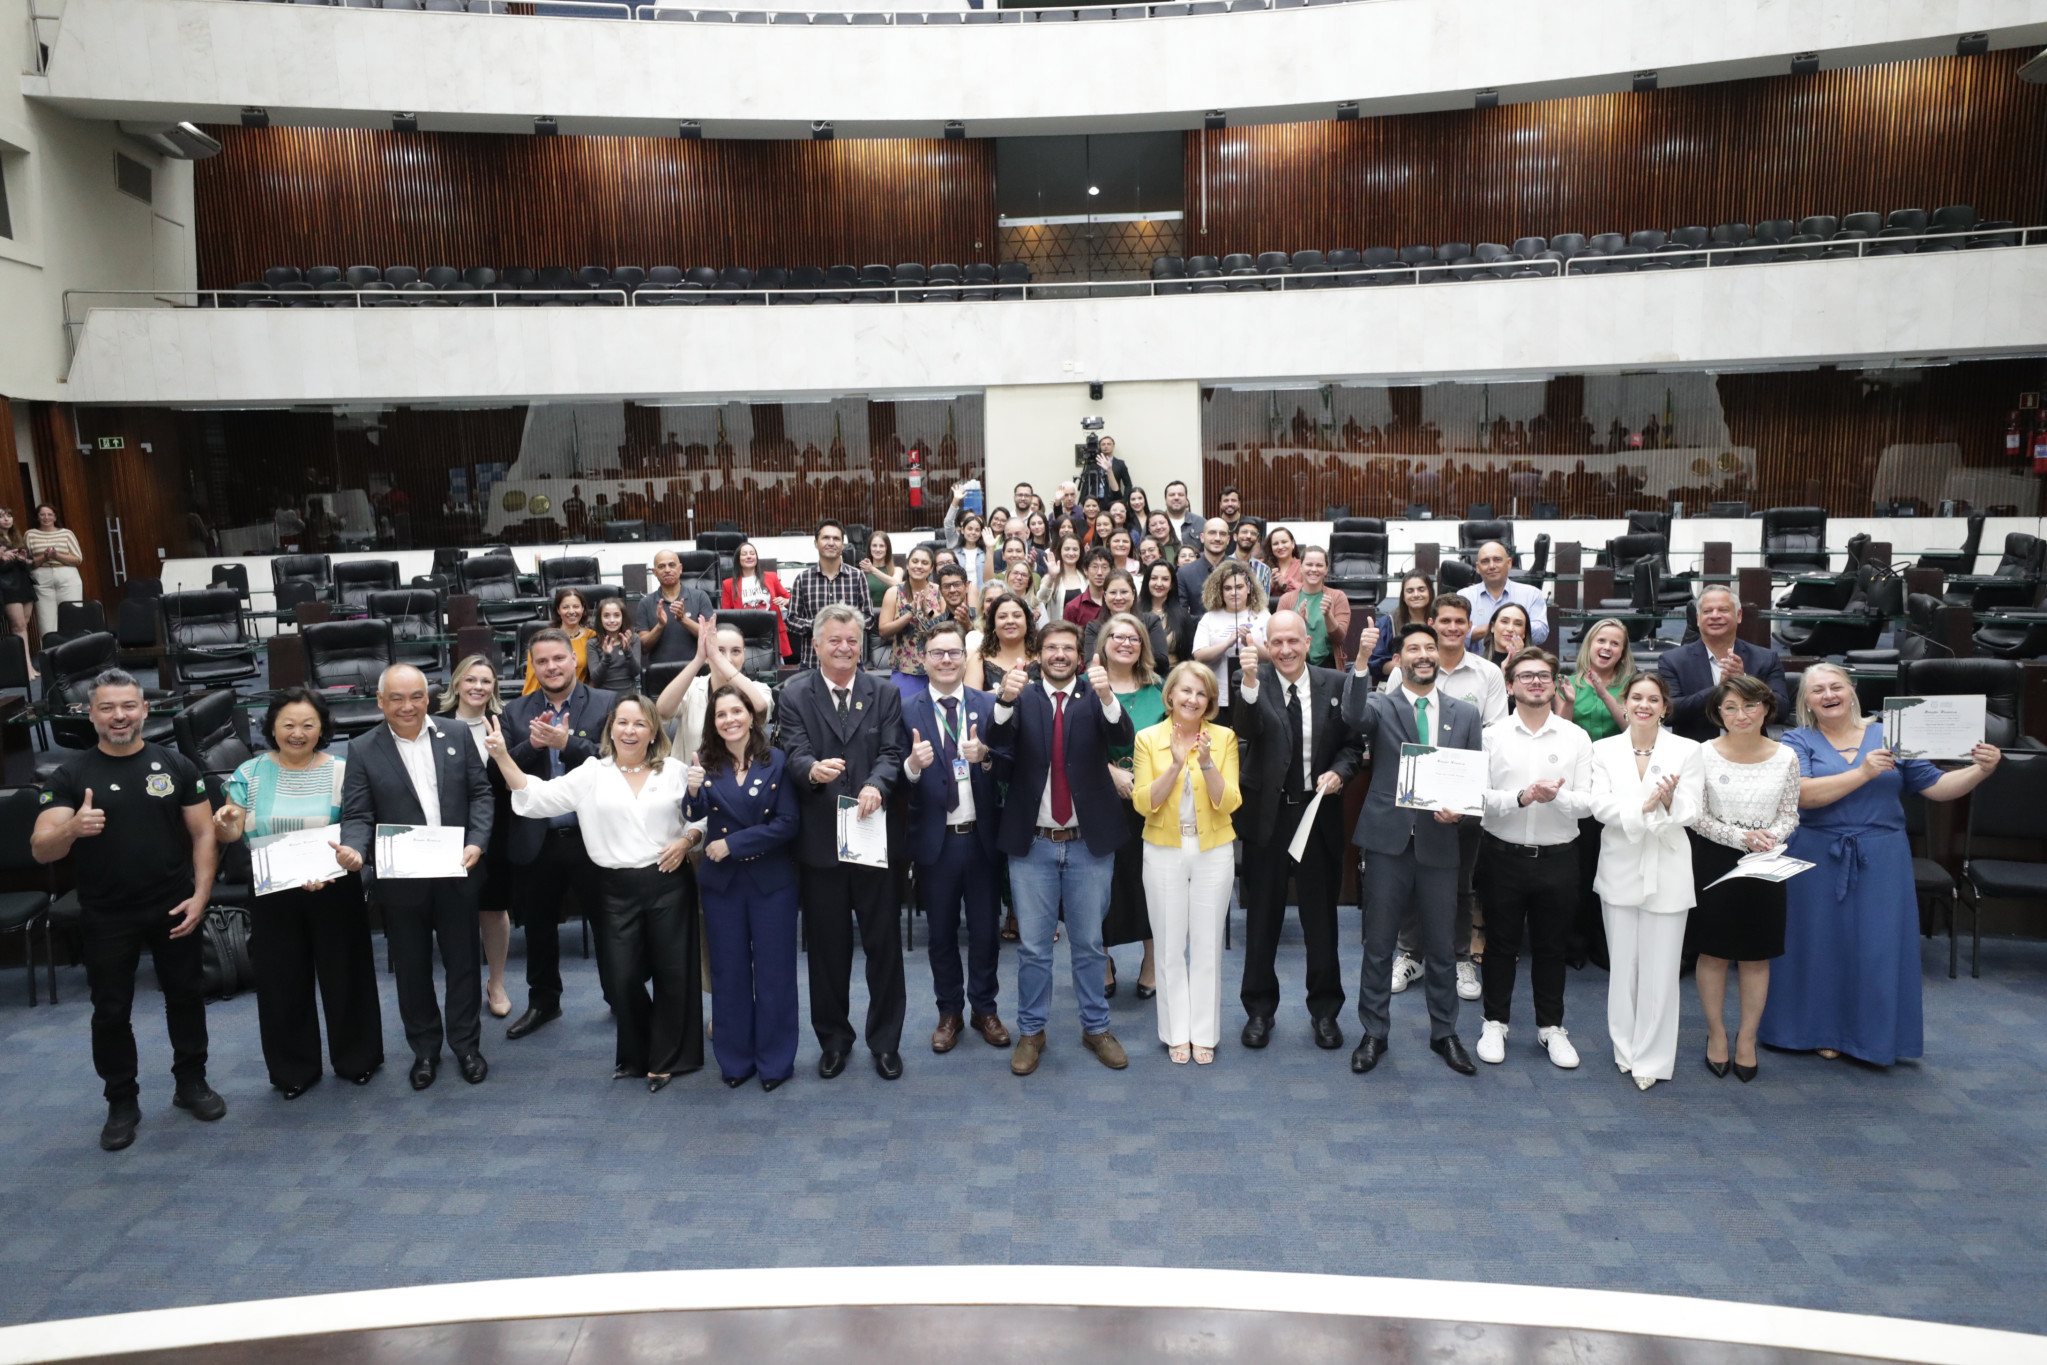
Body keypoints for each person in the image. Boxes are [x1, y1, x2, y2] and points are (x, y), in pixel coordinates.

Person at [1762, 663, 2002, 1068]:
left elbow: (1938, 787)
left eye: (1835, 686)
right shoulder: (1796, 740)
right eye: (1817, 690)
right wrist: (1863, 772)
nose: (1828, 694)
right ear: (1806, 702)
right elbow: (1804, 795)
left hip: (1883, 858)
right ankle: (1819, 1032)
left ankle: (1871, 1038)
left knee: (1877, 948)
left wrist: (1981, 770)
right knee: (1819, 947)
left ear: (1852, 691)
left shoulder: (1892, 733)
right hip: (1816, 856)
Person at [33, 669, 222, 1151]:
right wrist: (72, 829)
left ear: (144, 710)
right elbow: (41, 849)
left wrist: (201, 895)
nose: (119, 716)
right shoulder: (70, 775)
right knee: (111, 1011)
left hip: (174, 903)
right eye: (107, 708)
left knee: (186, 996)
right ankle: (121, 1101)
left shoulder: (175, 764)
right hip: (106, 913)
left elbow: (204, 833)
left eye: (128, 706)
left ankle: (191, 1083)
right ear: (90, 714)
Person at [488, 694, 704, 1090]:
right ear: (610, 729)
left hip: (668, 882)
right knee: (622, 979)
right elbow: (536, 797)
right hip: (615, 888)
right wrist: (502, 756)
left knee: (674, 974)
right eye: (622, 722)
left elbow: (701, 816)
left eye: (639, 723)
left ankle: (667, 1058)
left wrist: (687, 839)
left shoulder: (675, 770)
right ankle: (638, 1051)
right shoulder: (592, 772)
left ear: (653, 731)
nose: (630, 730)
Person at [215, 688, 382, 1100]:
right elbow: (232, 832)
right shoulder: (250, 773)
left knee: (346, 975)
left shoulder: (344, 770)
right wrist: (224, 823)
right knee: (281, 980)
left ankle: (357, 1059)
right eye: (288, 724)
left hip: (334, 885)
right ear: (271, 727)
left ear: (322, 728)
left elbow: (358, 823)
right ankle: (294, 1070)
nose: (298, 733)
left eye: (308, 725)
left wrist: (345, 859)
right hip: (273, 889)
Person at [334, 664, 493, 1091]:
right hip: (401, 880)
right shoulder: (362, 748)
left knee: (464, 965)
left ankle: (467, 1047)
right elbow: (358, 813)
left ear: (428, 698)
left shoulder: (456, 734)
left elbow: (480, 793)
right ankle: (425, 1050)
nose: (408, 706)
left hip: (457, 871)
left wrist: (478, 842)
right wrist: (355, 849)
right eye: (397, 698)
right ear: (380, 702)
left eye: (416, 697)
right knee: (412, 970)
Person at [988, 620, 1134, 1075]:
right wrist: (1004, 700)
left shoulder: (1095, 696)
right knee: (1034, 949)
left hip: (1088, 844)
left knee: (1089, 944)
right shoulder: (1022, 696)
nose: (1059, 655)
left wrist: (1107, 696)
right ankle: (1032, 1032)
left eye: (1068, 648)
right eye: (1051, 647)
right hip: (1033, 845)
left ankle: (1096, 1028)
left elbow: (1123, 738)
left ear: (1079, 656)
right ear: (1038, 654)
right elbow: (997, 744)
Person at [1343, 623, 1485, 1078]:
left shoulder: (1465, 714)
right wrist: (1361, 660)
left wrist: (1460, 812)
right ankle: (1374, 1033)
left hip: (1440, 843)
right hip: (1388, 842)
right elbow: (1352, 716)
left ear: (1439, 656)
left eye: (1429, 647)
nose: (1423, 654)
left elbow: (1471, 781)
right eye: (1413, 648)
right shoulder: (1381, 704)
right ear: (1399, 659)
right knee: (1379, 944)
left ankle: (1445, 1033)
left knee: (1442, 947)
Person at [776, 605, 907, 1080]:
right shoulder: (794, 694)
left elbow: (892, 752)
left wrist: (876, 784)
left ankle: (886, 1042)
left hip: (873, 839)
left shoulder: (884, 692)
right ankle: (833, 1040)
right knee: (827, 953)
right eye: (834, 640)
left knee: (884, 948)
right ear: (816, 645)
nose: (845, 648)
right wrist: (811, 770)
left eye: (852, 640)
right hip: (820, 843)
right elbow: (793, 750)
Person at [1233, 611, 1365, 1051]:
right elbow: (1245, 730)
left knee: (1321, 921)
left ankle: (1325, 1012)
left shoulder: (1336, 684)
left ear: (1308, 643)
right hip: (1267, 819)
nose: (1285, 650)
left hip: (1317, 815)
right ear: (1267, 646)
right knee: (1262, 919)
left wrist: (1340, 772)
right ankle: (1258, 1010)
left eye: (1293, 641)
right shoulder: (1251, 681)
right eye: (1277, 642)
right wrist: (1249, 680)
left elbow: (1353, 745)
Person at [1472, 648, 1595, 1070]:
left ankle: (1551, 1027)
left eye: (1544, 675)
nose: (1536, 682)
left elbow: (1587, 804)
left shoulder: (1576, 737)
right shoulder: (1491, 736)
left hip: (1559, 858)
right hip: (1501, 856)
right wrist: (1523, 797)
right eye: (1526, 676)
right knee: (1500, 945)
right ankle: (1494, 1022)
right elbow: (1480, 798)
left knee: (1551, 947)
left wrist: (1554, 797)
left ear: (1555, 684)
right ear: (1510, 686)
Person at [1383, 594, 1505, 1002]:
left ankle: (1459, 957)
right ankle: (1410, 954)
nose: (1453, 628)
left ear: (1470, 627)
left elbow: (1494, 733)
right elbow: (1391, 723)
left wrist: (1460, 785)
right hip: (1412, 794)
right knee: (1410, 878)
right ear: (1432, 624)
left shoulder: (1487, 672)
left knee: (1459, 882)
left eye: (1460, 622)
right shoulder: (1408, 668)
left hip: (1461, 795)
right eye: (1445, 621)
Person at [499, 629, 617, 1041]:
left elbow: (618, 761)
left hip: (592, 838)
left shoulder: (606, 703)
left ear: (574, 659)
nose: (551, 667)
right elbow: (501, 771)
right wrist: (532, 746)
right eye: (542, 661)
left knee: (609, 926)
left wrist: (569, 744)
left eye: (558, 658)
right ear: (532, 666)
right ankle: (544, 1002)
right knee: (539, 929)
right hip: (538, 839)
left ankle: (620, 997)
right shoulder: (514, 712)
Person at [1587, 673, 1702, 1090]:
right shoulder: (1603, 749)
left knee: (1662, 969)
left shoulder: (1688, 749)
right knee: (1624, 967)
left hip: (1667, 864)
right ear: (1625, 701)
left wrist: (1668, 801)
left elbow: (1693, 809)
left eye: (1654, 699)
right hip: (1620, 862)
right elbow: (1599, 806)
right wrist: (1644, 807)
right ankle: (1625, 1049)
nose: (1644, 705)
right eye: (1637, 697)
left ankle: (1652, 1058)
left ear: (1665, 707)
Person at [685, 685, 802, 1090]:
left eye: (736, 711)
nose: (729, 720)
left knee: (775, 975)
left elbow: (788, 824)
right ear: (713, 723)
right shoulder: (704, 762)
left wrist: (733, 844)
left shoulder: (778, 760)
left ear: (751, 717)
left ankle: (775, 1062)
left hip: (771, 883)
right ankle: (735, 1060)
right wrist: (693, 789)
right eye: (721, 714)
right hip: (724, 887)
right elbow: (692, 813)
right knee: (728, 973)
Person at [901, 624, 1012, 1054]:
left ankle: (985, 1008)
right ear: (924, 659)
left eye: (953, 652)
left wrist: (986, 757)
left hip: (982, 839)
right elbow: (893, 773)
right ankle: (949, 1012)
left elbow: (1012, 763)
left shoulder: (989, 705)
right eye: (937, 653)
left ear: (966, 659)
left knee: (985, 932)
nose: (946, 660)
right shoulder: (906, 711)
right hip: (936, 842)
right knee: (942, 934)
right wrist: (912, 766)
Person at [1686, 673, 1801, 1082]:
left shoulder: (1786, 756)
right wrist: (1740, 837)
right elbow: (1696, 816)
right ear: (1719, 713)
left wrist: (1771, 837)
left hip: (1767, 861)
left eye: (1750, 706)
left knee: (1756, 955)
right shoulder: (1702, 753)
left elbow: (1790, 813)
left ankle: (1747, 1038)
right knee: (1714, 953)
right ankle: (1717, 1033)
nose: (1741, 715)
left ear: (1766, 708)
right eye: (1730, 707)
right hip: (1714, 859)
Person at [1132, 661, 1242, 1065]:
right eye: (1186, 691)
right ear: (1171, 695)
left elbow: (1230, 802)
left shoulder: (1224, 738)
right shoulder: (1148, 738)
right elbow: (1143, 802)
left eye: (1201, 693)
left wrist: (1207, 762)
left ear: (1209, 701)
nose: (1192, 699)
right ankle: (1176, 1032)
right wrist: (1177, 764)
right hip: (1163, 850)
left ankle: (1204, 1033)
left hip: (1213, 850)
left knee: (1208, 944)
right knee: (1169, 945)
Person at [439, 655, 513, 1018]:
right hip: (447, 828)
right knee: (454, 910)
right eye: (470, 680)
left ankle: (496, 982)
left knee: (494, 907)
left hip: (496, 826)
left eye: (486, 681)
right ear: (456, 683)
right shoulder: (435, 724)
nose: (478, 687)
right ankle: (462, 986)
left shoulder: (504, 722)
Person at [1558, 616, 1634, 971]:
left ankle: (1605, 944)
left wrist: (1604, 692)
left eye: (1614, 643)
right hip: (1580, 784)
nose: (1606, 647)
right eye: (1601, 641)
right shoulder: (1569, 682)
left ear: (1623, 651)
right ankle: (1574, 943)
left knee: (1610, 865)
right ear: (1589, 644)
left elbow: (1633, 729)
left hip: (1617, 785)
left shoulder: (1632, 686)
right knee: (1579, 866)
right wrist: (1570, 701)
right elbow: (1561, 732)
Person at [1095, 610, 1164, 1001]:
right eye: (1117, 637)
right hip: (1099, 799)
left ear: (1143, 646)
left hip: (1153, 802)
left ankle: (1151, 960)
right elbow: (1069, 744)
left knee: (1150, 883)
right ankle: (1102, 960)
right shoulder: (1086, 687)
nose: (1125, 643)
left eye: (1133, 638)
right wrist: (1111, 773)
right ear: (1104, 645)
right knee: (1101, 884)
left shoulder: (1160, 688)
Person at [1658, 586, 1790, 744]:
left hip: (1750, 750)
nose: (1715, 616)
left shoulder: (1766, 658)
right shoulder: (1673, 660)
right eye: (1707, 611)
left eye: (1723, 610)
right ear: (1698, 618)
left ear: (1739, 615)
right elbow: (1669, 714)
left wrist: (1745, 682)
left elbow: (1782, 711)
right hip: (1697, 751)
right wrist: (1718, 689)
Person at [655, 616, 775, 753]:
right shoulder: (691, 686)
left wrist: (717, 657)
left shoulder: (758, 688)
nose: (728, 659)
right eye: (720, 651)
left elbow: (760, 707)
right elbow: (662, 711)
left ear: (744, 655)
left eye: (736, 651)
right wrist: (698, 659)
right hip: (692, 766)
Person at [786, 521, 874, 668]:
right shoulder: (803, 579)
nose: (831, 543)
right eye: (826, 538)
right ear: (816, 543)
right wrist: (818, 625)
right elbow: (791, 620)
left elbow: (869, 618)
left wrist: (844, 626)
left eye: (836, 539)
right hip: (813, 663)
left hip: (849, 664)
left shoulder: (857, 577)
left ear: (843, 545)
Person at [1189, 559, 1269, 712]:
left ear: (1249, 588)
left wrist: (1250, 643)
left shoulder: (1263, 616)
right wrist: (1227, 643)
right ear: (1220, 591)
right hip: (1219, 696)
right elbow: (1199, 655)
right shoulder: (1209, 618)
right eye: (1227, 588)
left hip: (1258, 693)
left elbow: (1272, 656)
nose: (1233, 592)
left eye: (1239, 587)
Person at [879, 544, 942, 703]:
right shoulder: (894, 592)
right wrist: (909, 615)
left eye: (924, 563)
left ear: (931, 568)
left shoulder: (939, 591)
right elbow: (883, 630)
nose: (919, 566)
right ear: (907, 565)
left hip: (938, 668)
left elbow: (944, 627)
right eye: (915, 561)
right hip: (905, 669)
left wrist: (927, 609)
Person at [1276, 546, 1353, 671]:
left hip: (1328, 668)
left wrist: (1328, 615)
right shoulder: (1286, 600)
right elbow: (1279, 638)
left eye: (1319, 565)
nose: (1314, 569)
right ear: (1301, 567)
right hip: (1295, 667)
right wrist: (1299, 622)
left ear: (1326, 569)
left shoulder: (1338, 597)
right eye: (1309, 564)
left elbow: (1339, 638)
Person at [636, 549, 716, 667]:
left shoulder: (700, 597)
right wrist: (660, 626)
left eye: (672, 565)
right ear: (655, 572)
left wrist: (683, 619)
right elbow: (643, 647)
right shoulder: (645, 603)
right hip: (660, 671)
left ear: (680, 568)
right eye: (662, 566)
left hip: (696, 669)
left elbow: (711, 637)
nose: (667, 570)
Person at [1460, 541, 1549, 646]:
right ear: (1478, 568)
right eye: (1485, 561)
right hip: (1477, 657)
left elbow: (1541, 633)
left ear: (1509, 563)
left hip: (1518, 656)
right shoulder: (1465, 596)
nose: (1492, 566)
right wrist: (1495, 627)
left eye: (1497, 560)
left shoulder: (1532, 594)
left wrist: (1508, 627)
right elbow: (1457, 633)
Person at [720, 540, 792, 661]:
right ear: (738, 559)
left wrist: (787, 601)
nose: (749, 556)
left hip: (772, 635)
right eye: (744, 554)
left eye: (752, 553)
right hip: (745, 637)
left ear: (756, 558)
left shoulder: (771, 577)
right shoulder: (728, 584)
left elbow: (790, 598)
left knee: (778, 668)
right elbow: (726, 615)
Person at [1081, 569, 1168, 668]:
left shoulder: (1151, 621)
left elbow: (1162, 661)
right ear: (1105, 595)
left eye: (1124, 592)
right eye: (1113, 592)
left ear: (1133, 594)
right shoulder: (1094, 627)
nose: (1118, 597)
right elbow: (1091, 664)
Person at [26, 503, 85, 641]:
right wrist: (45, 557)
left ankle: (75, 649)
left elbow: (78, 559)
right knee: (46, 621)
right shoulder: (30, 534)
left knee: (72, 615)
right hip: (42, 576)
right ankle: (51, 650)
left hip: (66, 575)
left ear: (55, 517)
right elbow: (27, 562)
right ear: (37, 517)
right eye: (42, 514)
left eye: (49, 514)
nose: (46, 517)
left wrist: (57, 555)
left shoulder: (66, 533)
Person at [1366, 572, 1434, 684]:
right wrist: (1410, 663)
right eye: (1410, 591)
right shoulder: (1388, 623)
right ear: (1403, 596)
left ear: (1430, 592)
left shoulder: (1441, 620)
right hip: (1397, 685)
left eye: (1421, 589)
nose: (1416, 594)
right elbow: (1376, 666)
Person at [522, 587, 592, 694]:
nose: (571, 611)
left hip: (580, 697)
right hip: (547, 698)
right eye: (565, 607)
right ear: (558, 610)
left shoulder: (592, 637)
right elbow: (532, 683)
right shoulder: (543, 640)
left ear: (583, 609)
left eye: (576, 606)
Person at [972, 590, 1038, 693]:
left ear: (1027, 622)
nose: (1010, 621)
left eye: (1017, 616)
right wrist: (1001, 690)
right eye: (1002, 617)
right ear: (993, 625)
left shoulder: (1041, 656)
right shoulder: (979, 659)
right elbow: (971, 699)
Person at [0, 508, 39, 677]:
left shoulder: (17, 538)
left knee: (25, 624)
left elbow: (31, 563)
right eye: (1, 516)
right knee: (18, 626)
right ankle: (24, 668)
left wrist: (24, 560)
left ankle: (28, 665)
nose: (6, 519)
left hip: (24, 583)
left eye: (9, 515)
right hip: (8, 585)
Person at [585, 595, 642, 694]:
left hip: (629, 696)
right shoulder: (593, 643)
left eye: (616, 615)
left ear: (623, 617)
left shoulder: (633, 638)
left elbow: (636, 672)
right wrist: (607, 657)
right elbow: (595, 678)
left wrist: (628, 652)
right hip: (603, 696)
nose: (612, 620)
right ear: (600, 619)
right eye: (606, 616)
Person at [1177, 518, 1232, 618]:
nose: (1217, 538)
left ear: (1228, 540)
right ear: (1202, 537)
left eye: (1222, 534)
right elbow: (1181, 615)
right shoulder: (1185, 573)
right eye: (1212, 533)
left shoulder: (1240, 568)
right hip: (1196, 627)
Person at [1143, 559, 1192, 666]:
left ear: (1172, 584)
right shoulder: (1136, 612)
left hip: (1174, 672)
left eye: (1165, 579)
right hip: (1142, 673)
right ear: (1147, 581)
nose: (1159, 583)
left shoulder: (1182, 615)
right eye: (1154, 578)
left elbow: (1188, 654)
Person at [859, 529, 903, 608]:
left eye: (881, 546)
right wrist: (866, 572)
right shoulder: (863, 571)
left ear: (887, 548)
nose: (878, 549)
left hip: (891, 613)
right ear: (870, 548)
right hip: (869, 613)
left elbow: (898, 585)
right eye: (874, 546)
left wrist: (872, 569)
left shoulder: (897, 570)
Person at [1230, 520, 1274, 595]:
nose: (1248, 536)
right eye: (1244, 532)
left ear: (1257, 539)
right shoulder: (1222, 564)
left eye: (1253, 533)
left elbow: (1264, 600)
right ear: (1235, 537)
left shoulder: (1264, 570)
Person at [1483, 602, 1531, 667]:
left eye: (1518, 624)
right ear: (1492, 627)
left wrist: (1519, 657)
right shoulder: (1478, 665)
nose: (1510, 629)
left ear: (1524, 632)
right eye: (1504, 622)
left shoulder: (1536, 666)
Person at [1265, 526, 1305, 597]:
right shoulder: (1263, 566)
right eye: (1275, 544)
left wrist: (1284, 585)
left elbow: (1309, 593)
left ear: (1293, 544)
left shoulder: (1304, 566)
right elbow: (1254, 597)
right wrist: (1269, 585)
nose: (1280, 547)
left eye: (1284, 542)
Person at [1163, 480, 1203, 547]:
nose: (1176, 497)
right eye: (1172, 495)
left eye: (1181, 494)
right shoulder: (1155, 524)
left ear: (1186, 499)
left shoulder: (1200, 523)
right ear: (1165, 499)